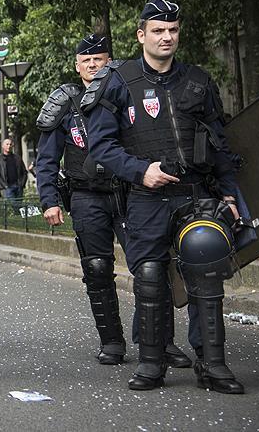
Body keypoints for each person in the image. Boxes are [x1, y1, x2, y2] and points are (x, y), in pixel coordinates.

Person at [85, 0, 244, 394]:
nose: (166, 37)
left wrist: (229, 193)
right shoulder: (117, 82)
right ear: (141, 35)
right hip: (146, 197)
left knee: (206, 270)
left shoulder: (197, 81)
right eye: (158, 30)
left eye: (172, 30)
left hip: (196, 194)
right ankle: (152, 365)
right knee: (152, 279)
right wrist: (142, 171)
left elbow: (219, 143)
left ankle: (213, 364)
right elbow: (100, 146)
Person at [35, 33, 192, 368]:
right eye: (86, 61)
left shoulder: (127, 92)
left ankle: (159, 342)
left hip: (131, 191)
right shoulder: (65, 102)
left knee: (152, 266)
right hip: (86, 196)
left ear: (110, 62)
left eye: (99, 59)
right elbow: (46, 160)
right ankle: (111, 342)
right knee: (97, 268)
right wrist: (49, 200)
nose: (93, 65)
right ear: (77, 67)